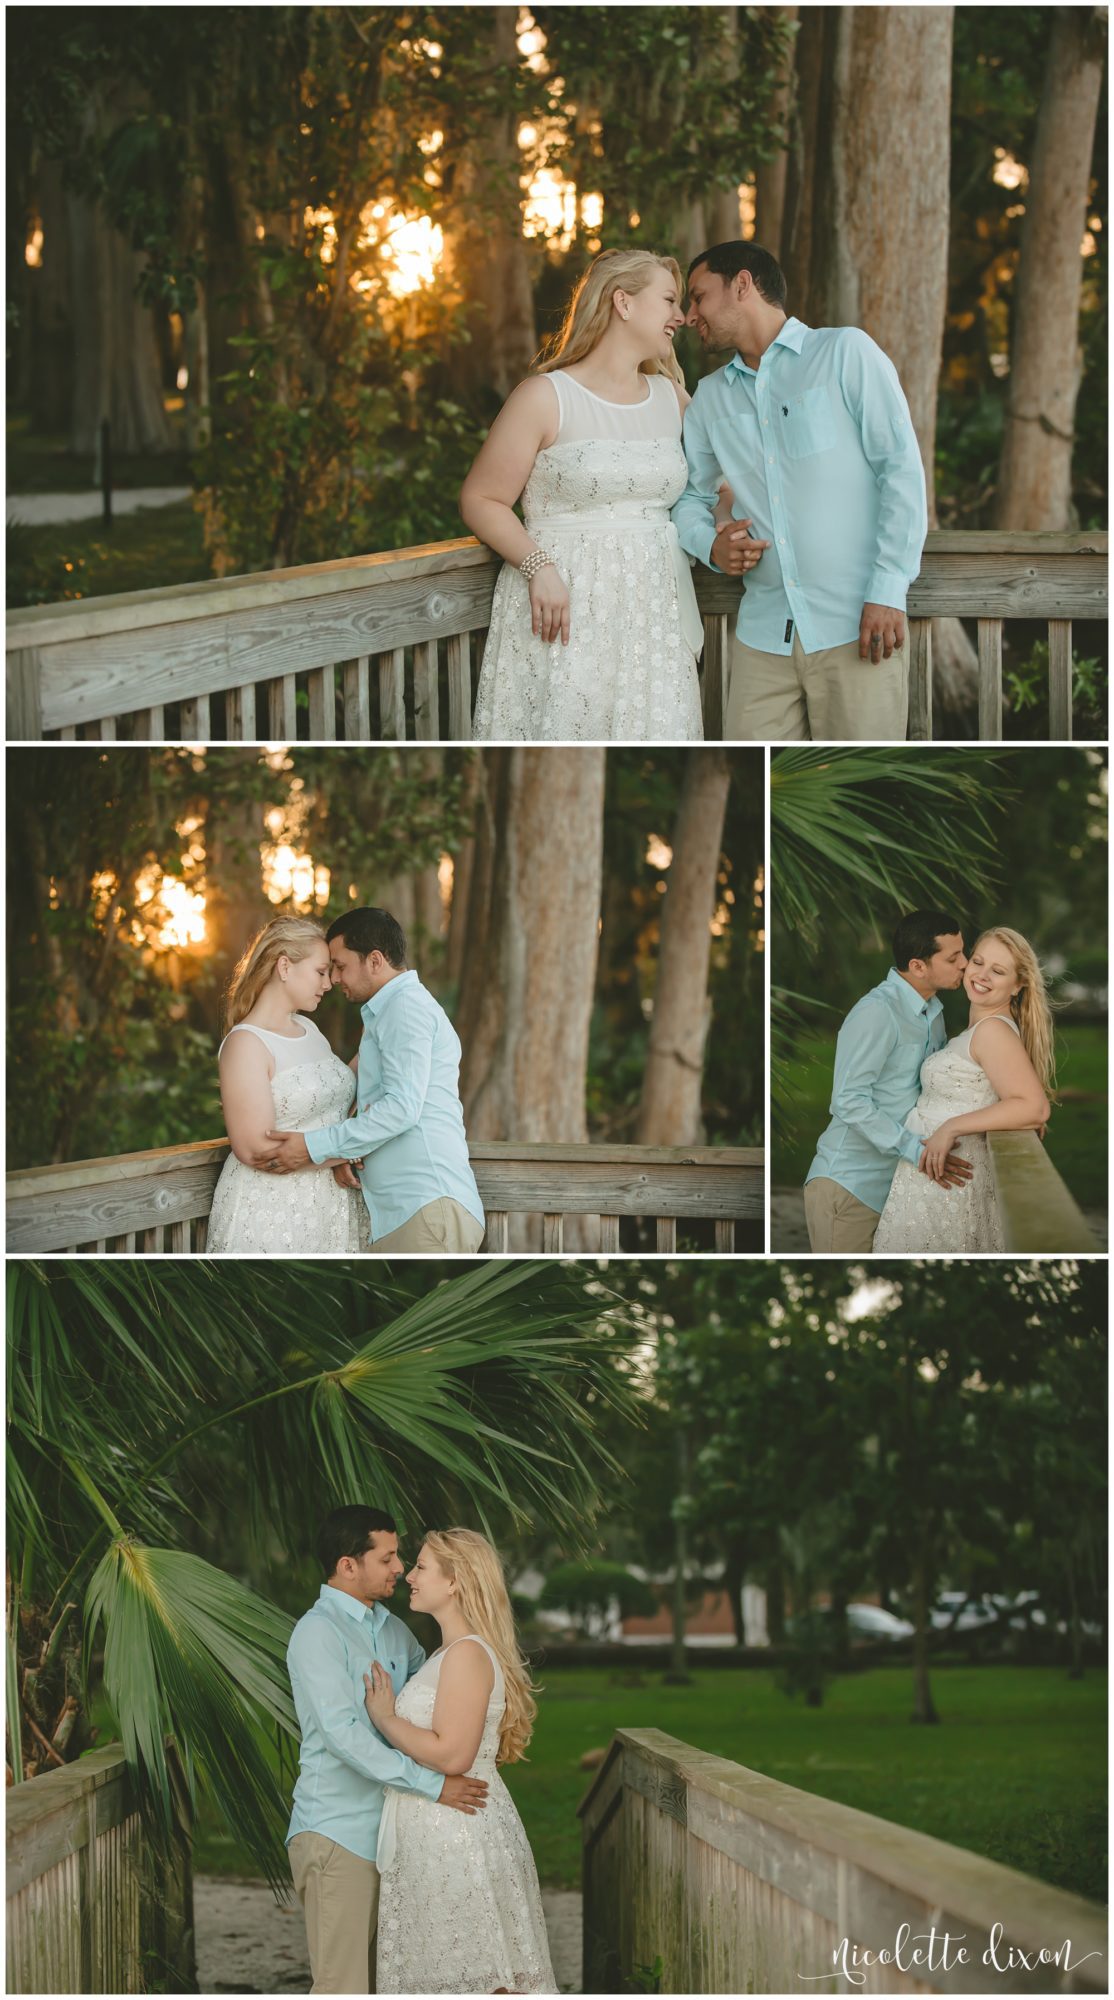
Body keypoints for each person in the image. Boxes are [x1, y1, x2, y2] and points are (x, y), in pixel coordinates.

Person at [672, 239, 927, 742]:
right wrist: (711, 545)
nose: (688, 314)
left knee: (859, 795)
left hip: (858, 626)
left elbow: (900, 470)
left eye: (698, 296)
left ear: (742, 285)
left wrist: (888, 588)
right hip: (761, 640)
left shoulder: (844, 353)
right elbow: (689, 500)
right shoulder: (708, 400)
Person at [463, 248, 717, 741]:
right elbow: (482, 499)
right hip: (564, 608)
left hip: (652, 617)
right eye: (668, 300)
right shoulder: (544, 396)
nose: (681, 317)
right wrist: (538, 567)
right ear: (623, 303)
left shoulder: (673, 400)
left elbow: (720, 485)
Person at [287, 1507, 490, 1996]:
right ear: (348, 1565)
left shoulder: (395, 1631)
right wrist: (433, 1784)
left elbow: (437, 1704)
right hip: (340, 1834)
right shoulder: (317, 1634)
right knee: (344, 1987)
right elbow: (344, 1737)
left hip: (402, 1838)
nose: (400, 1568)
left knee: (390, 1983)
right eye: (389, 1557)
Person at [366, 1528, 557, 1995]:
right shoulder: (448, 1653)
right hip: (441, 1833)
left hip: (458, 1837)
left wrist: (387, 1719)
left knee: (478, 1973)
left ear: (455, 1582)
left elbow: (454, 1754)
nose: (409, 1575)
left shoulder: (467, 1654)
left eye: (422, 1567)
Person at [265, 907, 486, 1254]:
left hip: (425, 1206)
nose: (334, 979)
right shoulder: (389, 1011)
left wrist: (313, 1147)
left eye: (340, 966)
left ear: (375, 960)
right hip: (413, 1210)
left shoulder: (404, 1009)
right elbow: (379, 1099)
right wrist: (344, 1154)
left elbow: (402, 1109)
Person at [873, 927, 1053, 1251]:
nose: (982, 975)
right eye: (978, 962)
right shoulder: (980, 1030)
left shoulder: (993, 1031)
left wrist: (951, 1127)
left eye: (998, 971)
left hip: (950, 1181)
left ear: (1018, 985)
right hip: (934, 1179)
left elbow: (1033, 1106)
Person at [804, 910, 973, 1253]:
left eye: (963, 953)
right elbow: (848, 1100)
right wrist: (915, 1149)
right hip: (850, 1186)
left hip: (897, 1187)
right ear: (918, 966)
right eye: (953, 957)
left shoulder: (933, 1014)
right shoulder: (877, 1012)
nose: (966, 964)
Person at [206, 917, 366, 1253]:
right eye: (321, 972)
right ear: (284, 967)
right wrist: (342, 1153)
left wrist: (378, 1038)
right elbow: (256, 1150)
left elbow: (339, 1088)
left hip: (329, 1204)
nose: (329, 983)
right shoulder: (246, 1044)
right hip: (272, 1211)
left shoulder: (309, 1029)